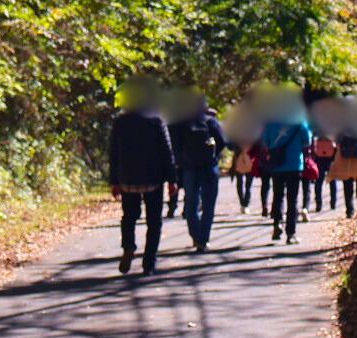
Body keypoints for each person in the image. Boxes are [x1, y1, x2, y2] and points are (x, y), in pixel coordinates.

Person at [108, 87, 176, 276]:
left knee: (129, 217)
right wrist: (172, 180)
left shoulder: (120, 122)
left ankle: (128, 246)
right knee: (154, 222)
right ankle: (149, 263)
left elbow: (113, 152)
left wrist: (114, 181)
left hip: (128, 178)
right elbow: (166, 151)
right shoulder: (156, 121)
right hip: (153, 178)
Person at [175, 98, 227, 252]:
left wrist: (182, 161)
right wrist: (214, 156)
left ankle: (195, 236)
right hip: (209, 168)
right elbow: (223, 141)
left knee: (191, 203)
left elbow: (176, 146)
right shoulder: (211, 122)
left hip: (190, 168)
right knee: (208, 204)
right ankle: (204, 239)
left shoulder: (182, 124)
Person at [261, 112, 312, 244]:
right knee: (292, 199)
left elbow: (265, 141)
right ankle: (291, 233)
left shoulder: (271, 122)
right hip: (295, 165)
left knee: (277, 196)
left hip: (276, 165)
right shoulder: (299, 121)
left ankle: (277, 223)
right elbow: (307, 141)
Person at [309, 133, 338, 213]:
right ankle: (333, 203)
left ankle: (319, 204)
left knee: (319, 182)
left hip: (319, 156)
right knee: (332, 181)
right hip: (330, 156)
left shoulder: (318, 129)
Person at [230, 142, 256, 213]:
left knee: (247, 185)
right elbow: (230, 146)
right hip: (241, 159)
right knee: (241, 184)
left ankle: (245, 204)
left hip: (249, 159)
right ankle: (243, 204)